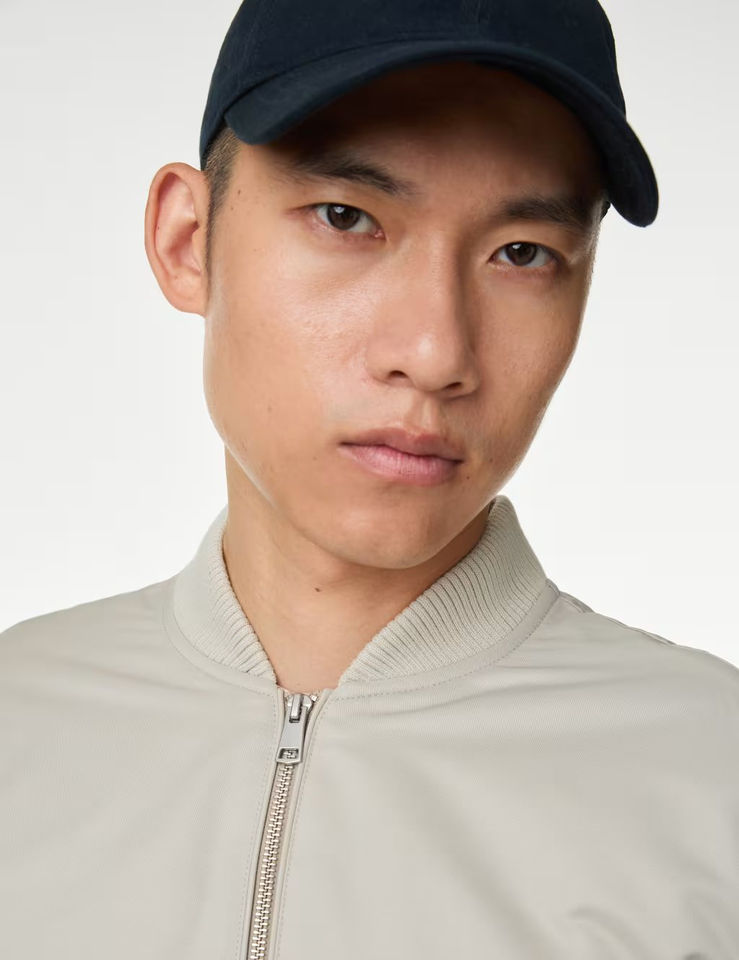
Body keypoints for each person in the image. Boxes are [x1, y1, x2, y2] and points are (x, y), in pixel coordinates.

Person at [1, 0, 737, 957]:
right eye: (346, 218)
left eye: (521, 253)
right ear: (187, 241)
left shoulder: (711, 781)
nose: (435, 353)